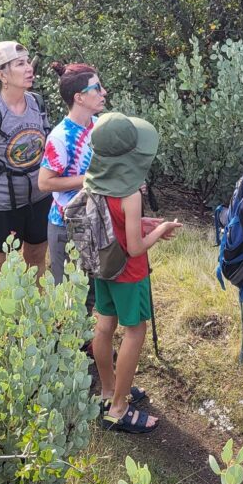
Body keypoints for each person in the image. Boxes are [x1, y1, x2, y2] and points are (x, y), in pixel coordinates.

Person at [84, 112, 181, 433]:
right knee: (134, 332)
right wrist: (162, 228)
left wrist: (144, 225)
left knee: (104, 326)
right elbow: (137, 247)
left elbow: (118, 225)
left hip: (103, 267)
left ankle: (108, 391)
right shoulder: (131, 193)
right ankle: (119, 408)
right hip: (129, 273)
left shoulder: (94, 182)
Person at [0, 41, 52, 294]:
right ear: (2, 75)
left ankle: (36, 317)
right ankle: (1, 324)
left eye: (27, 62)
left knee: (37, 255)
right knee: (4, 263)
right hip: (2, 203)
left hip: (39, 197)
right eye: (20, 64)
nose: (29, 69)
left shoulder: (37, 103)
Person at [38, 62, 107, 285]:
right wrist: (90, 180)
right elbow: (45, 183)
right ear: (79, 98)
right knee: (69, 297)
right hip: (65, 226)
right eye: (96, 88)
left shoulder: (100, 126)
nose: (103, 92)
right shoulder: (60, 137)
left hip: (98, 220)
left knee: (96, 292)